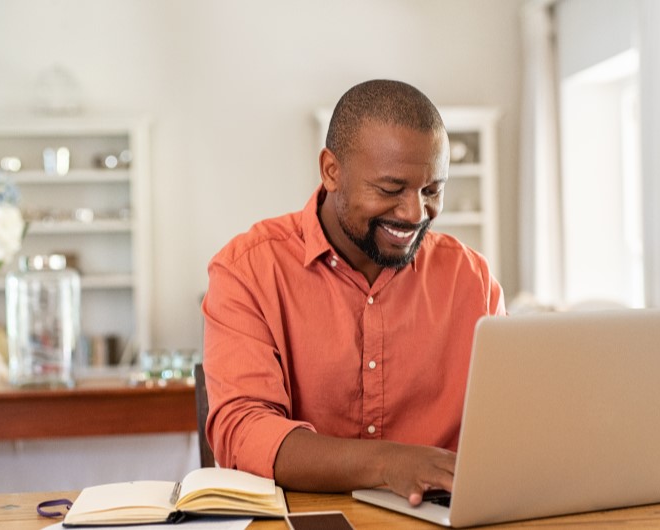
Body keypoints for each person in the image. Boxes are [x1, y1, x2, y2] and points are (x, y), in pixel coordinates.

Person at [202, 79, 505, 506]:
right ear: (331, 171)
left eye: (432, 190)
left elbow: (506, 427)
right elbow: (244, 432)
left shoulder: (472, 279)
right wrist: (388, 463)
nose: (416, 213)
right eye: (390, 189)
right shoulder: (247, 270)